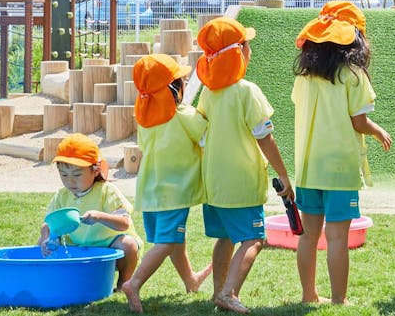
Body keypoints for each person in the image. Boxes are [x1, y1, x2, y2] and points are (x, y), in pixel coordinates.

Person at [292, 1, 392, 304]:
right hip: (339, 168)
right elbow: (358, 121)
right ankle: (338, 300)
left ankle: (309, 295)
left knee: (308, 236)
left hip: (308, 167)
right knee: (337, 237)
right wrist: (377, 131)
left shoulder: (304, 77)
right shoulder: (354, 75)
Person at [195, 16, 294, 314]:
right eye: (246, 46)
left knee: (225, 237)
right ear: (239, 53)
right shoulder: (247, 91)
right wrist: (283, 173)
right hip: (240, 183)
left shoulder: (208, 92)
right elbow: (264, 137)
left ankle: (218, 291)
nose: (250, 51)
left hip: (214, 182)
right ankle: (228, 292)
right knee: (254, 238)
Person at [121, 54, 212, 313]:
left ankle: (190, 279)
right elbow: (206, 133)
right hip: (174, 191)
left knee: (173, 239)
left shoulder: (144, 117)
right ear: (175, 89)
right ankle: (134, 282)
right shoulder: (183, 114)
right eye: (182, 80)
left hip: (150, 191)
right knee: (168, 241)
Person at [37, 133, 140, 290]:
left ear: (95, 170)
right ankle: (56, 279)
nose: (70, 181)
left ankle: (124, 283)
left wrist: (100, 216)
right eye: (63, 174)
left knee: (129, 245)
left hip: (108, 245)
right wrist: (46, 238)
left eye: (77, 174)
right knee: (43, 242)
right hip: (75, 245)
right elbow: (48, 224)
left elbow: (124, 223)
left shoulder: (107, 191)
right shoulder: (62, 195)